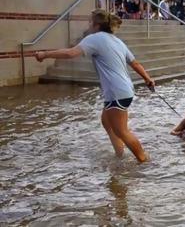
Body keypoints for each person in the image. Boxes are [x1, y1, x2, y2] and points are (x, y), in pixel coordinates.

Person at [35, 10, 155, 162]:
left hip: (116, 92)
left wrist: (45, 54)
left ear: (97, 24)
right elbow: (135, 63)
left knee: (122, 131)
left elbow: (71, 53)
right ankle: (120, 155)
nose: (88, 24)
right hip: (124, 90)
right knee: (107, 122)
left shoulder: (94, 38)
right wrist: (147, 79)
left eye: (90, 21)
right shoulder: (116, 40)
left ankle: (143, 161)